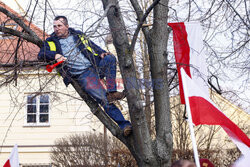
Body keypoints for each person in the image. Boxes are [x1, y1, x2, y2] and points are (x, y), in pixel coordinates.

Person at [38, 16, 132, 136]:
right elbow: (41, 55)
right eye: (54, 26)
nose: (56, 29)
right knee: (104, 101)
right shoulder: (50, 41)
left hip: (94, 65)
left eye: (59, 26)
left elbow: (92, 46)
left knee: (110, 58)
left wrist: (101, 53)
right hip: (83, 75)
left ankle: (112, 92)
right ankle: (125, 125)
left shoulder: (78, 35)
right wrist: (55, 55)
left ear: (66, 26)